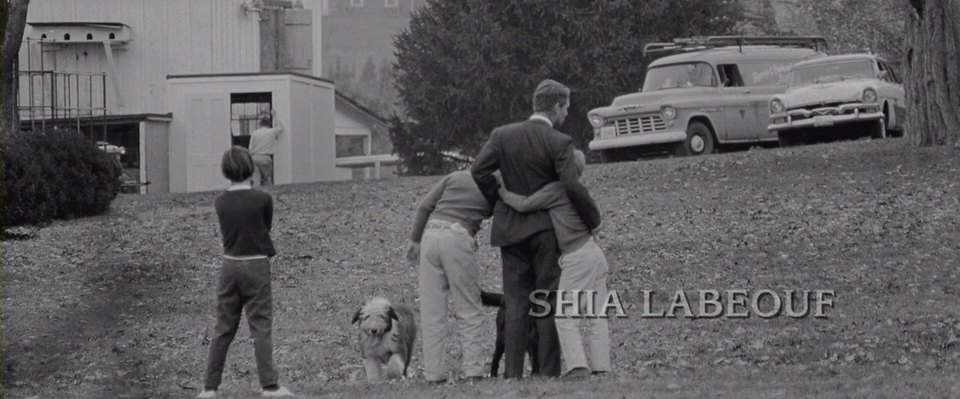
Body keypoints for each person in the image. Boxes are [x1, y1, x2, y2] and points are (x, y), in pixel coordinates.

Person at [471, 79, 602, 379]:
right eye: (566, 108)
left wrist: (499, 202)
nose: (566, 114)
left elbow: (478, 170)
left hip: (510, 230)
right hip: (546, 231)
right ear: (556, 106)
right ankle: (547, 370)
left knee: (515, 300)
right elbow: (571, 186)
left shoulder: (502, 136)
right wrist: (592, 219)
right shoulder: (559, 142)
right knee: (545, 298)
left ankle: (513, 373)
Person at [495, 150, 610, 378]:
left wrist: (502, 189)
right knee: (596, 314)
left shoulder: (556, 190)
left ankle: (577, 366)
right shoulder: (579, 191)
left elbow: (525, 204)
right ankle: (601, 367)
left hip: (576, 257)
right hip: (594, 253)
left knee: (564, 315)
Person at [198, 146, 294, 398]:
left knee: (223, 328)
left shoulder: (220, 202)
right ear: (250, 168)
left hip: (229, 266)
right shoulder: (263, 199)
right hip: (256, 265)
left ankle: (209, 387)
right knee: (260, 326)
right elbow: (266, 227)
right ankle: (269, 386)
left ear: (225, 171)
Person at [406, 169, 493, 383]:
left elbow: (425, 206)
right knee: (469, 308)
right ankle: (473, 371)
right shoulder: (496, 183)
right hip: (458, 236)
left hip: (431, 235)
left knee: (432, 311)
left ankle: (433, 374)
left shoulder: (456, 176)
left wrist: (415, 239)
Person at [249, 109, 284, 187]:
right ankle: (268, 196)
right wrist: (275, 117)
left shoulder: (255, 133)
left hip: (254, 158)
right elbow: (281, 128)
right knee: (267, 180)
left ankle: (256, 197)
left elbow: (250, 149)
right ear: (268, 124)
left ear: (260, 124)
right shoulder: (271, 132)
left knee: (256, 181)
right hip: (265, 158)